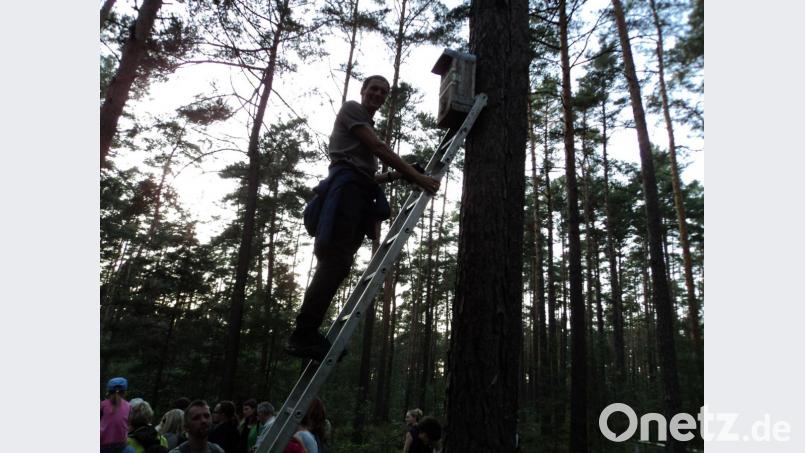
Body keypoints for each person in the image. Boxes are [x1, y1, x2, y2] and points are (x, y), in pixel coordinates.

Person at [286, 75, 441, 361]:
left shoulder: (365, 123)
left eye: (383, 92)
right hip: (346, 193)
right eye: (374, 89)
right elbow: (378, 149)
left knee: (339, 263)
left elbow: (366, 173)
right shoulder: (352, 109)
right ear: (363, 90)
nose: (378, 94)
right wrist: (418, 177)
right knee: (335, 260)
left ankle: (307, 332)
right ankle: (303, 334)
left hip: (356, 192)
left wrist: (396, 175)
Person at [101, 377, 132, 453]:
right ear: (125, 392)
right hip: (121, 446)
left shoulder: (102, 405)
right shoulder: (129, 406)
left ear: (108, 391)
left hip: (102, 445)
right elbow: (128, 425)